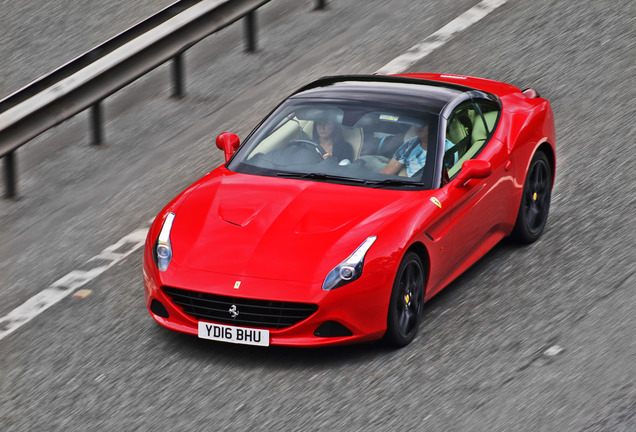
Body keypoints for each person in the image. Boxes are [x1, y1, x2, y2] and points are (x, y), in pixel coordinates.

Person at [380, 121, 453, 177]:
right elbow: (386, 173)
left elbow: (448, 178)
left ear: (435, 125)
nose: (419, 127)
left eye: (423, 124)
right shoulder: (409, 144)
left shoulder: (449, 149)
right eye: (416, 123)